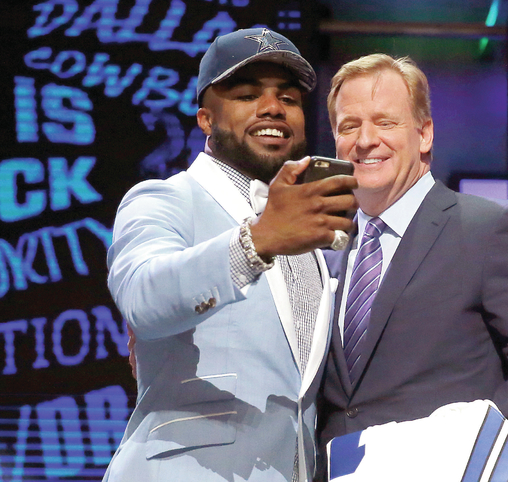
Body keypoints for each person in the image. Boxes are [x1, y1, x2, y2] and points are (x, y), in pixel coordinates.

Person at [104, 28, 357, 482]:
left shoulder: (309, 236)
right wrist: (255, 243)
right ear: (205, 119)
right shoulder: (163, 199)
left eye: (289, 98)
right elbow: (142, 297)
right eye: (246, 95)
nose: (273, 108)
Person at [316, 54, 508, 465]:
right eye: (349, 126)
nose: (365, 139)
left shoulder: (494, 229)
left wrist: (462, 459)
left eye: (385, 122)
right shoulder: (323, 251)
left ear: (424, 135)